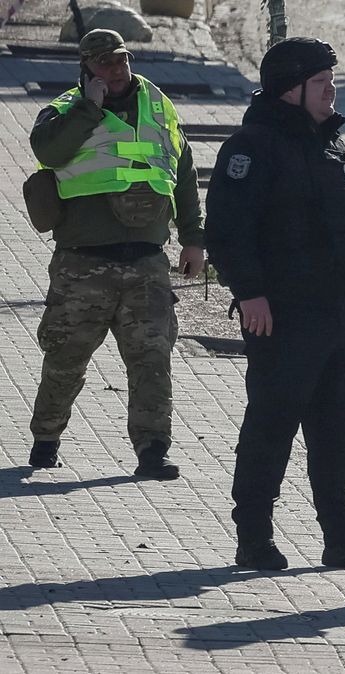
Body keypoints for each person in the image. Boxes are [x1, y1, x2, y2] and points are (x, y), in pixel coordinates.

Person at [206, 37, 345, 572]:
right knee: (272, 425)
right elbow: (227, 230)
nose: (331, 92)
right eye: (320, 83)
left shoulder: (333, 145)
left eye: (331, 82)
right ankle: (254, 536)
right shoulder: (253, 146)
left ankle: (342, 536)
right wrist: (249, 293)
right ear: (290, 89)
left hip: (338, 316)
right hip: (281, 315)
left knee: (338, 431)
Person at [27, 29, 205, 480]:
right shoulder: (66, 109)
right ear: (87, 69)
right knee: (66, 357)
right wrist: (91, 105)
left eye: (121, 60)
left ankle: (152, 450)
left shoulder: (158, 104)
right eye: (105, 63)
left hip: (147, 260)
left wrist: (193, 237)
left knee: (153, 359)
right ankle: (46, 437)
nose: (117, 69)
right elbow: (48, 150)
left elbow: (182, 170)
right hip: (83, 261)